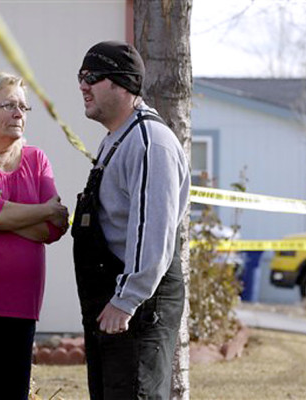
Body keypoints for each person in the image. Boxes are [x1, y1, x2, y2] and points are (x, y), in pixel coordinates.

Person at [71, 41, 191, 399]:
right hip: (115, 300)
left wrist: (127, 300)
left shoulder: (149, 142)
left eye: (92, 76)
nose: (82, 86)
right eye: (80, 76)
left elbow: (152, 229)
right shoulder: (116, 139)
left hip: (139, 309)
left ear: (123, 84)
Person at [0, 71, 69, 400]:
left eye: (23, 106)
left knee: (13, 394)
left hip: (22, 302)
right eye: (8, 105)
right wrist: (44, 209)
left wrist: (4, 210)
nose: (19, 113)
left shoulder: (37, 159)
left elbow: (54, 229)